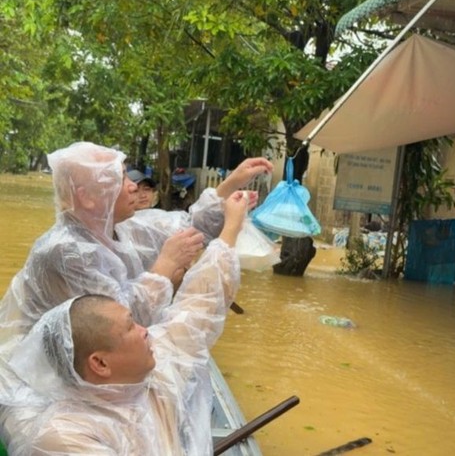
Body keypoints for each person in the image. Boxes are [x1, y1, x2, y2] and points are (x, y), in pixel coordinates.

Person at [0, 190, 250, 455]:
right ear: (100, 363)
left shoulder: (150, 379)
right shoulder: (63, 437)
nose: (147, 331)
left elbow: (198, 306)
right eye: (131, 326)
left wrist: (230, 230)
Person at [0, 141, 272, 356]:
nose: (133, 187)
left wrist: (231, 183)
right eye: (120, 179)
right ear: (86, 197)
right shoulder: (66, 252)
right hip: (47, 375)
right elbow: (117, 329)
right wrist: (165, 267)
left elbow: (190, 226)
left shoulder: (125, 227)